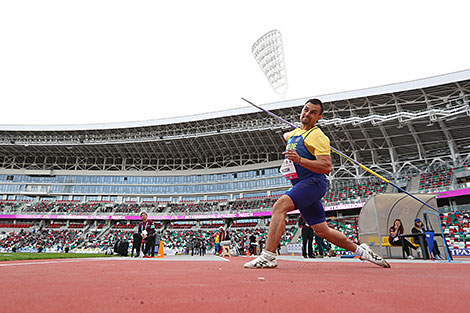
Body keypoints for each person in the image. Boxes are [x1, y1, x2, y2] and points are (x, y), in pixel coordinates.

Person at [244, 98, 390, 269]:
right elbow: (288, 136)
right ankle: (363, 251)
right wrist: (293, 135)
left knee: (279, 207)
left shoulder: (319, 137)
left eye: (313, 112)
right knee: (322, 231)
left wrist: (299, 159)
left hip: (313, 183)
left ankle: (268, 256)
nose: (308, 114)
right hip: (301, 184)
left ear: (319, 117)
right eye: (306, 109)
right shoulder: (294, 133)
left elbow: (326, 167)